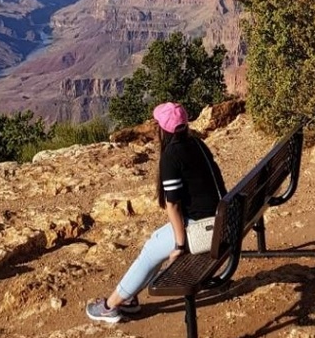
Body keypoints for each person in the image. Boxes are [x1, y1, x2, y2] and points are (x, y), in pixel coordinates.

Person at [86, 101, 226, 324]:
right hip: (220, 218)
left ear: (163, 129)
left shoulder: (172, 155)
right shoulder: (197, 143)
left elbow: (173, 205)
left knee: (151, 250)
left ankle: (110, 306)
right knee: (155, 240)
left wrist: (180, 246)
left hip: (203, 229)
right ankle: (128, 298)